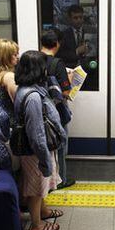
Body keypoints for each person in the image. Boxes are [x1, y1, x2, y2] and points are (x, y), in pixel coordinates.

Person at [14, 50, 66, 230]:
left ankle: (43, 211)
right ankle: (37, 224)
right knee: (36, 186)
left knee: (40, 183)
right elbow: (36, 134)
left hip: (33, 149)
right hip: (34, 151)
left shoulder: (25, 89)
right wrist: (44, 159)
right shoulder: (34, 97)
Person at [40, 29, 75, 188]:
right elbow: (65, 92)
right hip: (56, 111)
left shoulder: (33, 59)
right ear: (57, 44)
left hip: (38, 109)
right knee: (60, 145)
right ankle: (61, 179)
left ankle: (45, 178)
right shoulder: (57, 63)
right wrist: (70, 79)